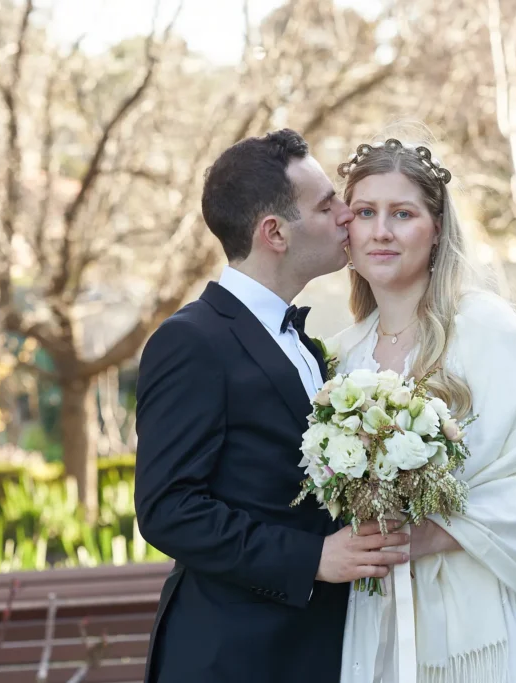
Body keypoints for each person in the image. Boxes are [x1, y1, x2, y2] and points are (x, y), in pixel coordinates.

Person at [134, 129, 411, 683]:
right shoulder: (192, 341)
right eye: (327, 204)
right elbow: (168, 509)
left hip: (310, 649)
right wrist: (311, 559)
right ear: (275, 232)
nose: (345, 216)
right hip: (229, 656)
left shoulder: (308, 346)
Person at [329, 134, 516, 682]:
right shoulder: (347, 354)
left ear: (437, 227)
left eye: (403, 213)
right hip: (380, 614)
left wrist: (435, 533)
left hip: (484, 617)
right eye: (366, 212)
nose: (381, 231)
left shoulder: (488, 331)